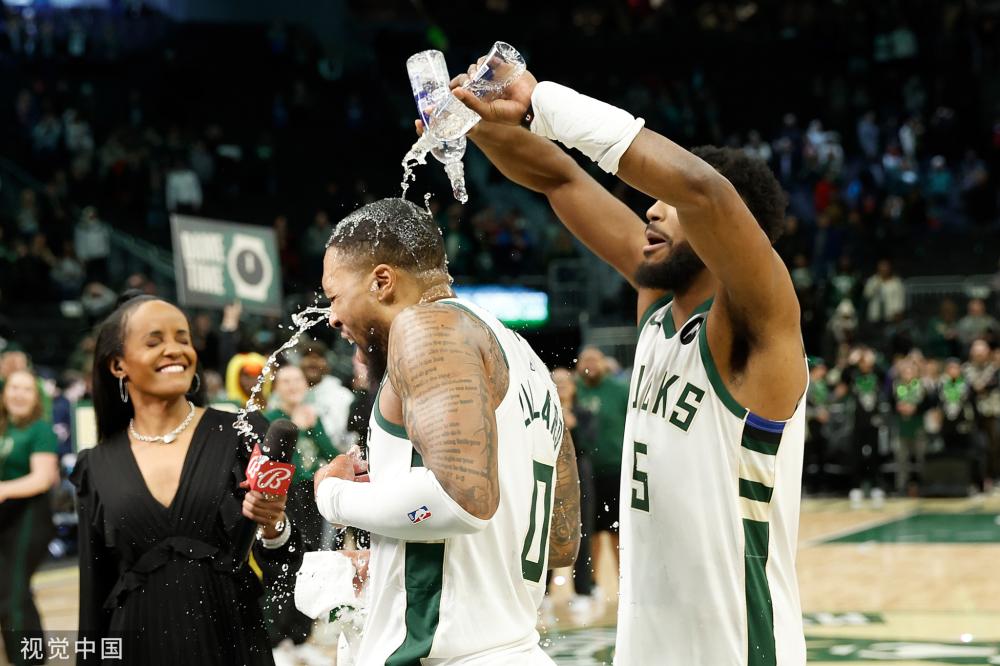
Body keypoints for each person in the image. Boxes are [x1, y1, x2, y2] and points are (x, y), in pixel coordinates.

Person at [449, 63, 807, 664]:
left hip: (736, 647)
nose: (652, 211)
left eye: (670, 202)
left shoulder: (758, 329)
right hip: (647, 642)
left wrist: (544, 103)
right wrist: (466, 121)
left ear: (730, 231)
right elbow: (557, 178)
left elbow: (704, 191)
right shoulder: (658, 306)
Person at [311, 198, 581, 664]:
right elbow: (561, 541)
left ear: (381, 281)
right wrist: (391, 557)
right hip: (516, 648)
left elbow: (461, 502)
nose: (331, 317)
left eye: (334, 296)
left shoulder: (425, 327)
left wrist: (334, 497)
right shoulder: (525, 356)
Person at [71, 293, 302, 665]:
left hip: (232, 644)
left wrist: (275, 525)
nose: (174, 350)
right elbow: (93, 600)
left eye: (183, 338)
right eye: (154, 341)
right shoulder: (96, 467)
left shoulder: (240, 435)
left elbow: (288, 566)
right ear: (118, 365)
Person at [264, 362, 337, 665]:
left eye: (297, 380)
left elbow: (330, 455)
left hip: (310, 497)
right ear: (277, 387)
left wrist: (313, 428)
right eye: (286, 381)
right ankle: (274, 636)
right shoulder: (270, 419)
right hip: (282, 499)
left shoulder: (313, 414)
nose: (293, 386)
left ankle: (301, 634)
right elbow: (277, 468)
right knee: (281, 565)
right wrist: (296, 426)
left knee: (310, 562)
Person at [0, 369, 59, 666]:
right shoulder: (3, 427)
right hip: (5, 518)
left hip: (30, 517)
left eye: (26, 389)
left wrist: (3, 489)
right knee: (11, 591)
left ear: (36, 398)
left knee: (12, 593)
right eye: (13, 388)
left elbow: (42, 478)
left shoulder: (40, 430)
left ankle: (27, 660)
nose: (18, 394)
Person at [573, 346, 628, 590]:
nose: (591, 364)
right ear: (578, 364)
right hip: (585, 473)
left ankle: (624, 583)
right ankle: (592, 584)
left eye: (595, 359)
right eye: (586, 359)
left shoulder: (620, 391)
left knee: (618, 531)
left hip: (616, 470)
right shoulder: (574, 391)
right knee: (590, 532)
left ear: (605, 364)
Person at [297, 339, 355, 452]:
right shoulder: (289, 394)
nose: (312, 361)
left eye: (318, 357)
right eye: (307, 356)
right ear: (299, 363)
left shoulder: (342, 395)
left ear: (327, 363)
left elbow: (350, 439)